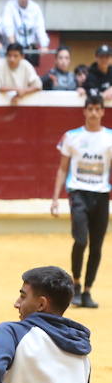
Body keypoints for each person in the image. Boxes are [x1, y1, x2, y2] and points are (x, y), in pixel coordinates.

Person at [52, 94, 110, 309]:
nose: (94, 113)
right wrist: (55, 198)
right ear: (84, 111)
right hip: (78, 193)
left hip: (102, 195)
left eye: (98, 109)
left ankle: (87, 291)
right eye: (90, 109)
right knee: (81, 240)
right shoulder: (72, 137)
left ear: (103, 111)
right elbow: (62, 168)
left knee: (96, 246)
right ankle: (75, 283)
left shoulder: (110, 138)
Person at [2, 0, 49, 67]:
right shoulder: (10, 5)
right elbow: (8, 26)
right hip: (15, 46)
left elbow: (40, 28)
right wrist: (14, 47)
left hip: (30, 48)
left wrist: (44, 45)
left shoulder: (35, 8)